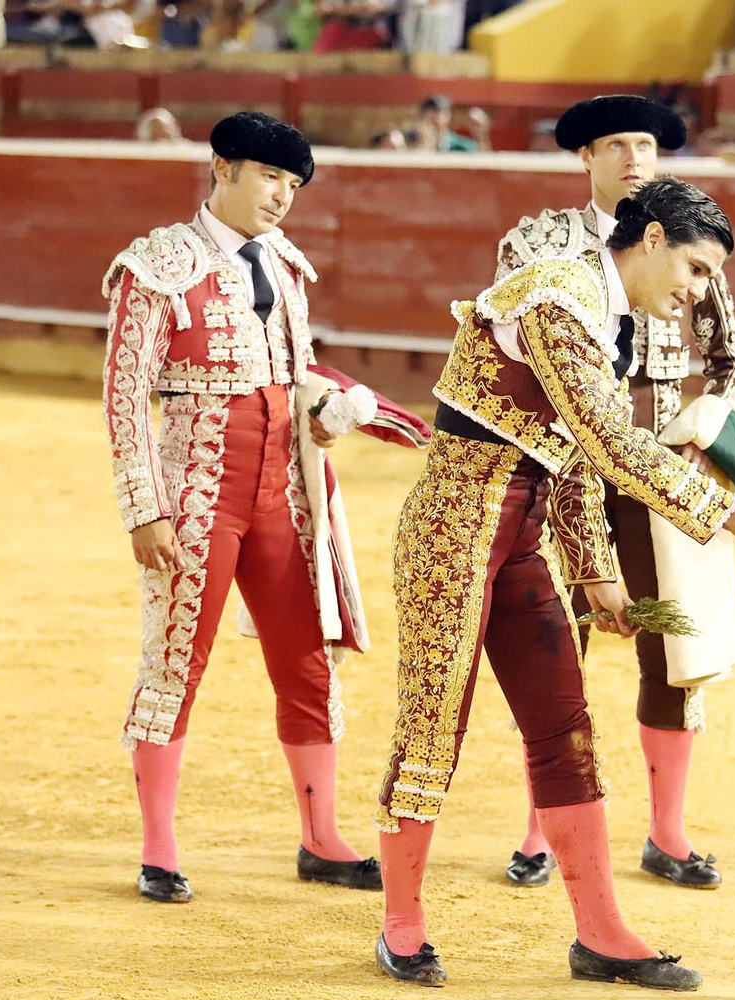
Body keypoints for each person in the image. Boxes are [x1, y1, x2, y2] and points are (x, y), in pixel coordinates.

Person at [373, 176, 735, 990]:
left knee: (565, 722)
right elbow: (608, 441)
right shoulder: (558, 295)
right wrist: (729, 512)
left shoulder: (599, 313)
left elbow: (572, 452)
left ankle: (601, 932)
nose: (697, 292)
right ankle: (402, 923)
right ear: (652, 239)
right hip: (450, 535)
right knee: (434, 723)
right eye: (695, 269)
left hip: (517, 540)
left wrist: (594, 567)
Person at [102, 112, 426, 905]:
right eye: (270, 177)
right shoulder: (158, 263)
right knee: (174, 661)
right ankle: (158, 850)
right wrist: (144, 508)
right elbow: (124, 394)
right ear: (224, 169)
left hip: (282, 490)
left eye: (293, 184)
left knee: (307, 660)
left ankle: (321, 839)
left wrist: (331, 410)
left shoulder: (284, 264)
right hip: (195, 493)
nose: (283, 196)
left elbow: (295, 372)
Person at [494, 96, 735, 891]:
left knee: (671, 645)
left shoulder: (686, 243)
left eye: (645, 143)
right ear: (587, 157)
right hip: (561, 465)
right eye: (616, 144)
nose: (634, 157)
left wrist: (705, 427)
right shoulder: (541, 245)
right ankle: (540, 828)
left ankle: (667, 831)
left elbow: (733, 361)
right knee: (554, 642)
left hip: (659, 471)